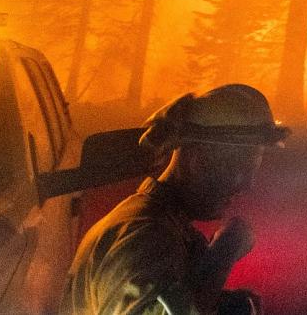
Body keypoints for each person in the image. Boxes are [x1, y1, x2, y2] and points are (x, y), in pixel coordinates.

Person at [66, 84, 288, 315]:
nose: (247, 185)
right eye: (241, 169)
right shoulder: (144, 238)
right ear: (197, 160)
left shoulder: (163, 229)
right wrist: (223, 253)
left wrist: (217, 302)